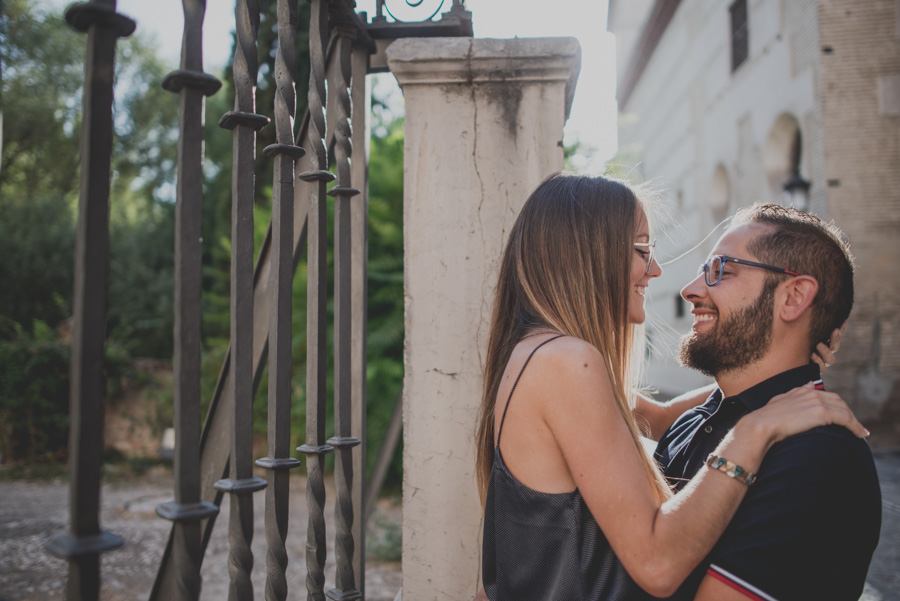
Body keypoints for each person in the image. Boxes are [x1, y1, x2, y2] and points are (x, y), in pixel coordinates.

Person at [475, 173, 868, 600]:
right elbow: (658, 566)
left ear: (794, 298)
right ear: (590, 255)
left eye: (721, 271)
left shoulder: (535, 354)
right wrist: (756, 429)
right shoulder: (567, 362)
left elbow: (658, 416)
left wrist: (785, 382)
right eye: (643, 250)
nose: (664, 274)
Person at [654, 203, 881, 600]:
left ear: (793, 297)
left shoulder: (818, 454)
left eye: (720, 269)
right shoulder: (695, 420)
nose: (691, 289)